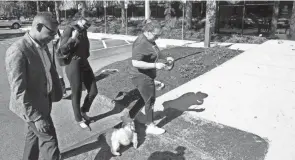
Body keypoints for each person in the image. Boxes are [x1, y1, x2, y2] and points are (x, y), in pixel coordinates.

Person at [5, 12, 63, 160]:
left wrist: (57, 83)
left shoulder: (43, 45)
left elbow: (49, 69)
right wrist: (37, 118)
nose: (54, 37)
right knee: (50, 142)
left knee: (33, 136)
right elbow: (18, 91)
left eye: (57, 33)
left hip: (44, 102)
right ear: (38, 26)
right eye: (51, 33)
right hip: (32, 109)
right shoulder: (17, 50)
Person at [130, 20, 174, 135]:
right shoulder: (141, 43)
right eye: (156, 35)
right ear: (148, 32)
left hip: (147, 75)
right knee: (150, 100)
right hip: (141, 76)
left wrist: (166, 58)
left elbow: (157, 52)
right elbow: (135, 62)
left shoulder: (150, 40)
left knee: (143, 100)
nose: (158, 37)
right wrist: (155, 65)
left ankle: (128, 118)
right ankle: (150, 126)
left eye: (159, 35)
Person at [59, 16, 98, 130]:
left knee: (93, 91)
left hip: (84, 63)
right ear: (79, 20)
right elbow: (63, 49)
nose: (87, 26)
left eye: (89, 24)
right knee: (77, 93)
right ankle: (79, 119)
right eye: (86, 23)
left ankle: (84, 110)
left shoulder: (83, 30)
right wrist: (73, 38)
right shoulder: (69, 30)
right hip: (73, 64)